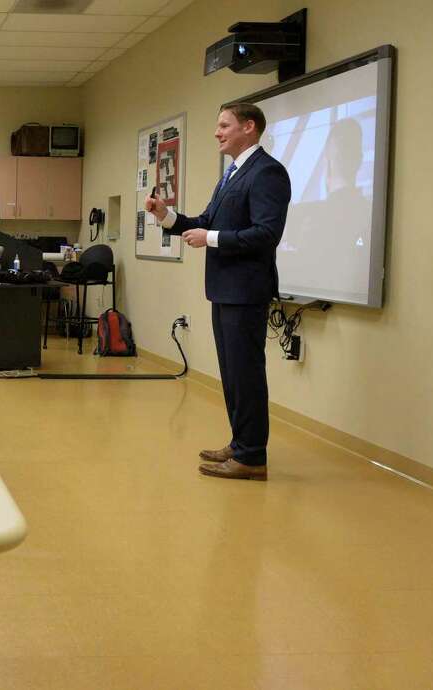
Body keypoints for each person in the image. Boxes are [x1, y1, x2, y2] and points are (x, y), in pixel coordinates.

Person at [145, 102, 291, 482]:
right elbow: (205, 221)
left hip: (246, 290)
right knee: (232, 373)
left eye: (224, 125)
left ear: (249, 126)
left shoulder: (268, 172)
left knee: (246, 374)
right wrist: (166, 216)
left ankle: (252, 456)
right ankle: (241, 443)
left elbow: (266, 234)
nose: (217, 132)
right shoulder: (232, 174)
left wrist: (210, 238)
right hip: (225, 290)